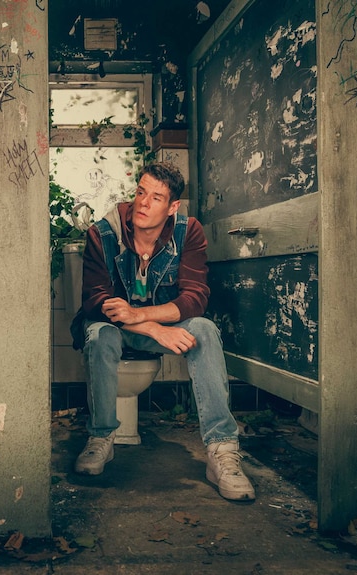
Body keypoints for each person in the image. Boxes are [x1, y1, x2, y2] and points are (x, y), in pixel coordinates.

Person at [72, 161, 255, 501]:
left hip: (157, 322)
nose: (143, 203)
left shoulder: (189, 231)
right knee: (99, 334)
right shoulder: (103, 233)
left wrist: (144, 316)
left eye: (156, 198)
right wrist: (155, 328)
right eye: (141, 192)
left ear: (172, 207)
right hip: (117, 328)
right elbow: (96, 302)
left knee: (204, 329)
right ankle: (100, 438)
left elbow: (195, 298)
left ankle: (222, 451)